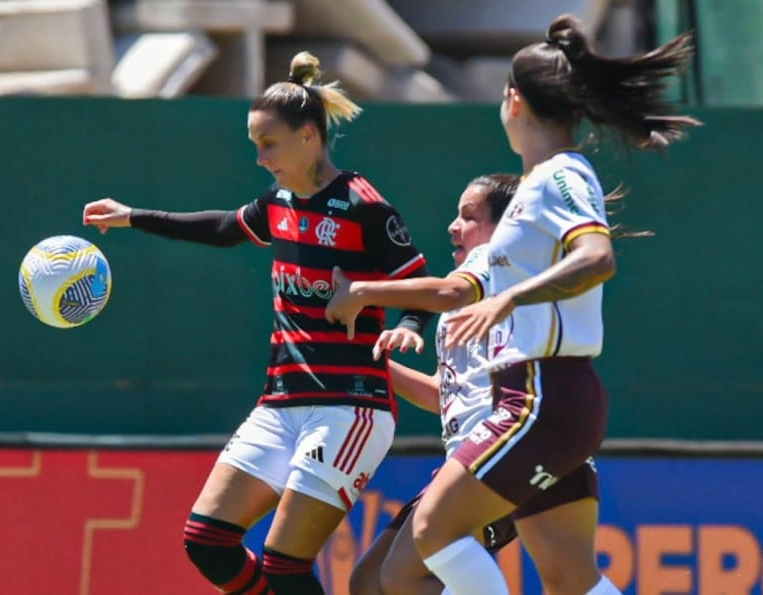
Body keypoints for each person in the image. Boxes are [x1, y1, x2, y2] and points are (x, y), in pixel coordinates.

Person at [329, 14, 700, 595]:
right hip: (545, 398)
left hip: (541, 394)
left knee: (430, 534)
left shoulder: (558, 173)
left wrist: (505, 302)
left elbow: (598, 257)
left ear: (514, 99)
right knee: (570, 580)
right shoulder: (536, 185)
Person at [82, 51, 433, 595]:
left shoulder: (363, 206)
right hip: (280, 404)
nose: (259, 156)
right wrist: (133, 216)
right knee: (207, 540)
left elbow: (418, 281)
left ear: (310, 137)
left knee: (285, 564)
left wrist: (408, 322)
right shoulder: (282, 201)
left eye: (268, 143)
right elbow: (224, 226)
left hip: (349, 405)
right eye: (255, 144)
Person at [348, 173, 521, 595]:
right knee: (369, 583)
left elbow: (445, 293)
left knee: (402, 577)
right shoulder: (471, 293)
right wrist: (374, 360)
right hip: (465, 461)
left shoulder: (497, 264)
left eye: (468, 216)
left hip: (502, 455)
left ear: (504, 228)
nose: (453, 226)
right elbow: (443, 392)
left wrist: (361, 292)